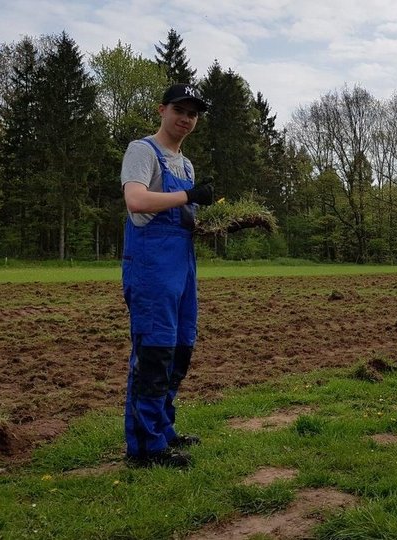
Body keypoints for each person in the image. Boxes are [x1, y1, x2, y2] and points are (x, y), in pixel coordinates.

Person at [120, 83, 215, 468]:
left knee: (179, 349)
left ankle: (162, 429)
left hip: (182, 263)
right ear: (162, 110)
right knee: (155, 350)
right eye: (180, 109)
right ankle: (145, 448)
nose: (186, 118)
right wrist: (189, 197)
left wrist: (222, 223)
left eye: (193, 113)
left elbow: (185, 217)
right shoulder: (142, 151)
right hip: (151, 264)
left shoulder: (186, 165)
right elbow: (137, 200)